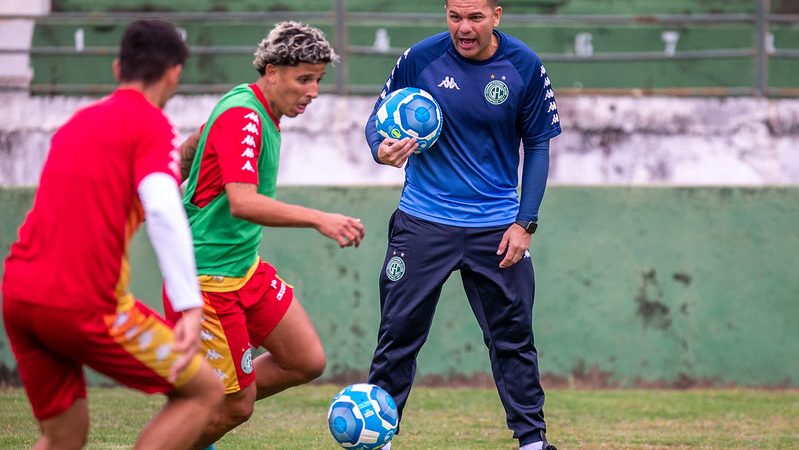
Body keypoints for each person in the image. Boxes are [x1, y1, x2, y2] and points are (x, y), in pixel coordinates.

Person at [1, 20, 224, 450]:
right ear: (175, 72)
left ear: (118, 66)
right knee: (204, 389)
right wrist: (190, 305)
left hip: (20, 297)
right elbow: (162, 207)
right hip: (83, 304)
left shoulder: (76, 123)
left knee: (64, 436)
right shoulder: (151, 125)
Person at [364, 1, 562, 449]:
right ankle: (378, 441)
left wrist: (524, 222)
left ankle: (532, 442)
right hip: (422, 222)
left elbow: (539, 147)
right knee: (398, 335)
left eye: (475, 17)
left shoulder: (524, 65)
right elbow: (377, 122)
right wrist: (381, 149)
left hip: (496, 229)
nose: (463, 28)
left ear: (497, 15)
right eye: (455, 16)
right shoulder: (420, 59)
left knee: (513, 340)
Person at [164, 21, 366, 449]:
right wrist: (319, 219)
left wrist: (164, 189)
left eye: (318, 80)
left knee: (305, 360)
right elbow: (243, 202)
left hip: (244, 268)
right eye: (304, 79)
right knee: (239, 407)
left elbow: (194, 145)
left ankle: (201, 407)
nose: (313, 91)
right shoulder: (246, 117)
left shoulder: (246, 104)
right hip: (209, 277)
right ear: (272, 71)